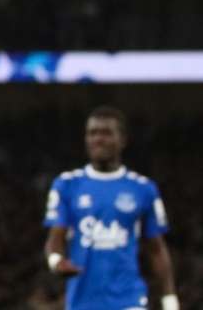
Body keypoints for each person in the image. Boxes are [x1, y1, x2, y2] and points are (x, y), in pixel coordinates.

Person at [43, 106, 179, 310]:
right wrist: (55, 260)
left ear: (123, 140)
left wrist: (170, 300)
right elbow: (56, 236)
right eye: (92, 133)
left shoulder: (142, 188)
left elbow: (156, 249)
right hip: (82, 301)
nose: (98, 139)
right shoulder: (67, 185)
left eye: (106, 133)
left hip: (129, 299)